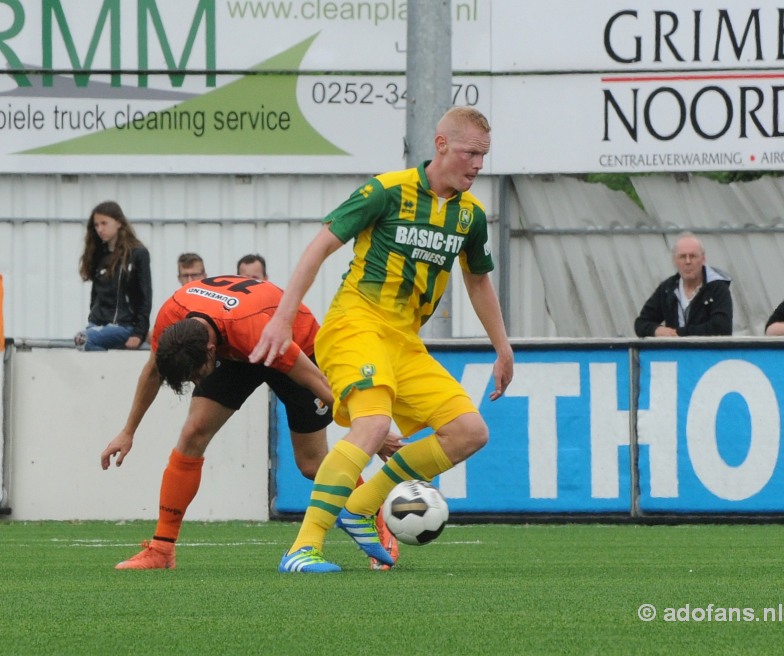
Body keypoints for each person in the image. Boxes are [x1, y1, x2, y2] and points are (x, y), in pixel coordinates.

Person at [250, 106, 514, 573]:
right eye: (471, 153)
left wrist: (502, 346)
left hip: (404, 342)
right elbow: (320, 246)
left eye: (484, 156)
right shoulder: (386, 190)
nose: (477, 165)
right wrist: (282, 319)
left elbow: (478, 280)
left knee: (469, 432)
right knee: (371, 427)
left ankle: (361, 506)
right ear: (441, 145)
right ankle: (302, 548)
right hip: (357, 324)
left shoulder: (470, 215)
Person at [100, 275, 399, 570]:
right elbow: (153, 371)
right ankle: (161, 550)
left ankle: (374, 518)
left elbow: (316, 379)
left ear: (210, 352)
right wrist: (128, 431)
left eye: (197, 374)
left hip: (294, 343)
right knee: (193, 433)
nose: (196, 383)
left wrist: (370, 427)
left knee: (311, 464)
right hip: (235, 344)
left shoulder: (256, 329)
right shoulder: (172, 318)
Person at [75, 201, 152, 351]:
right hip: (98, 324)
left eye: (104, 223)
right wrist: (93, 317)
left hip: (124, 325)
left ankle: (108, 370)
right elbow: (96, 295)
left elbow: (145, 296)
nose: (100, 229)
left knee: (82, 340)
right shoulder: (99, 254)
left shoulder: (138, 254)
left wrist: (139, 333)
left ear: (118, 222)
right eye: (96, 225)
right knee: (82, 340)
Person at [634, 233, 733, 337]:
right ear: (674, 260)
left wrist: (679, 333)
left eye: (693, 256)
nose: (688, 261)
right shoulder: (667, 289)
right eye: (682, 256)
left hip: (708, 352)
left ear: (703, 259)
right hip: (674, 352)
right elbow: (641, 323)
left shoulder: (717, 288)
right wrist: (656, 330)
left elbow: (722, 328)